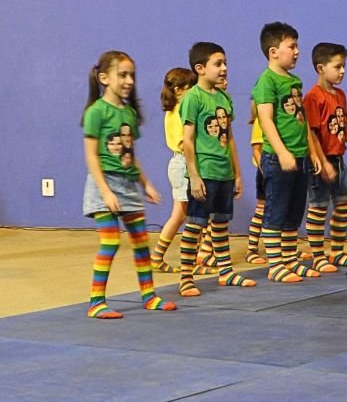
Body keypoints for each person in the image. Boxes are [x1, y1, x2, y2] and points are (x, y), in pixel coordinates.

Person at [81, 50, 176, 319]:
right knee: (110, 241)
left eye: (131, 75)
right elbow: (91, 156)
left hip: (128, 185)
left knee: (141, 242)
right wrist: (106, 192)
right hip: (104, 185)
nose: (129, 81)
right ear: (104, 78)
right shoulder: (96, 112)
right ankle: (96, 302)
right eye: (122, 75)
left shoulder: (130, 113)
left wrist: (145, 184)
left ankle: (149, 295)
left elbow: (129, 154)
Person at [178, 42, 255, 297]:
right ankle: (186, 277)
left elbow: (229, 138)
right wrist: (194, 175)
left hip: (223, 172)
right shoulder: (193, 98)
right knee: (195, 225)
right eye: (217, 64)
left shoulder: (224, 98)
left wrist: (237, 173)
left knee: (221, 224)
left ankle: (225, 272)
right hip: (205, 172)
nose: (224, 69)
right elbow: (188, 140)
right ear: (200, 68)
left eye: (225, 63)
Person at [251, 22, 321, 283]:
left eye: (296, 46)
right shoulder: (266, 81)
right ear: (273, 52)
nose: (297, 51)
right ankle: (275, 264)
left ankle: (290, 260)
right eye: (292, 46)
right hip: (277, 158)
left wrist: (312, 153)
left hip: (300, 157)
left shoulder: (294, 81)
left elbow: (302, 121)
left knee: (294, 211)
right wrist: (281, 152)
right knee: (276, 211)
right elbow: (266, 119)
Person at [303, 42, 347, 272]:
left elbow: (342, 126)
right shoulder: (313, 97)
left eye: (344, 66)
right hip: (321, 161)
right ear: (321, 68)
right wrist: (321, 161)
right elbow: (311, 133)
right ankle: (318, 255)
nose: (342, 71)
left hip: (338, 159)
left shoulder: (339, 95)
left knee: (344, 202)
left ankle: (336, 251)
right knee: (318, 207)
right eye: (337, 67)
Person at [150, 67, 218, 276]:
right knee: (183, 215)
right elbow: (184, 142)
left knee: (187, 214)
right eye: (191, 87)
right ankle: (163, 257)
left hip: (182, 163)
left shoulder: (175, 110)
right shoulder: (180, 111)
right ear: (178, 90)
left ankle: (168, 256)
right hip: (183, 164)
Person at [243, 100, 267, 265]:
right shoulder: (261, 120)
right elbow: (256, 149)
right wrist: (265, 169)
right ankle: (251, 249)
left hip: (283, 171)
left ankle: (288, 248)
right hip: (267, 171)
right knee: (261, 209)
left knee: (283, 209)